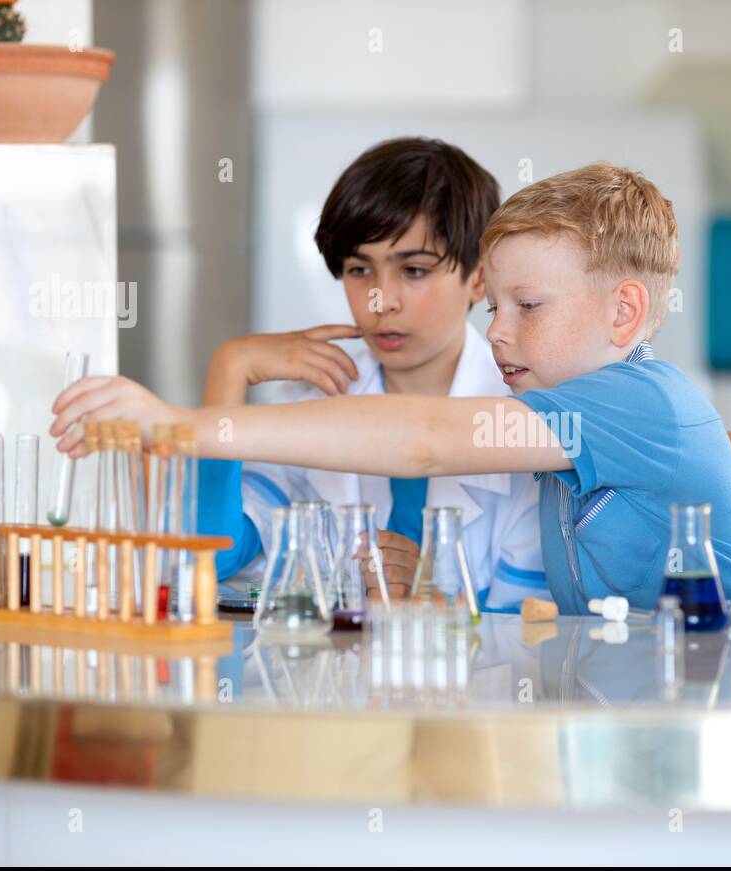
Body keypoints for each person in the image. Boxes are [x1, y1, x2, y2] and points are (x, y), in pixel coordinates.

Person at [52, 162, 731, 613]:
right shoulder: (559, 424)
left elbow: (425, 439)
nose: (498, 331)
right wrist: (231, 371)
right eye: (495, 307)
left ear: (625, 311)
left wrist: (180, 424)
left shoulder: (643, 404)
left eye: (526, 308)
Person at [196, 137, 549, 610]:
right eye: (360, 269)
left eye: (415, 271)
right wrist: (230, 368)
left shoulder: (527, 417)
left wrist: (435, 601)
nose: (383, 300)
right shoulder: (315, 399)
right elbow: (209, 561)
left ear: (479, 278)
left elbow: (535, 643)